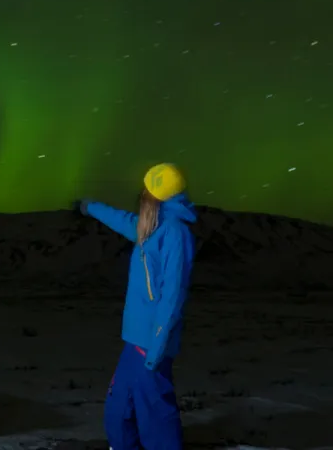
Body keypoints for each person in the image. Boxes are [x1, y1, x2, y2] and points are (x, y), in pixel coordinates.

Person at [75, 163, 196, 450]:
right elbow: (124, 220)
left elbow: (172, 297)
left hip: (151, 346)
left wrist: (155, 351)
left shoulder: (175, 233)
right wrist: (90, 207)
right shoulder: (151, 226)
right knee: (119, 410)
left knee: (155, 418)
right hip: (134, 342)